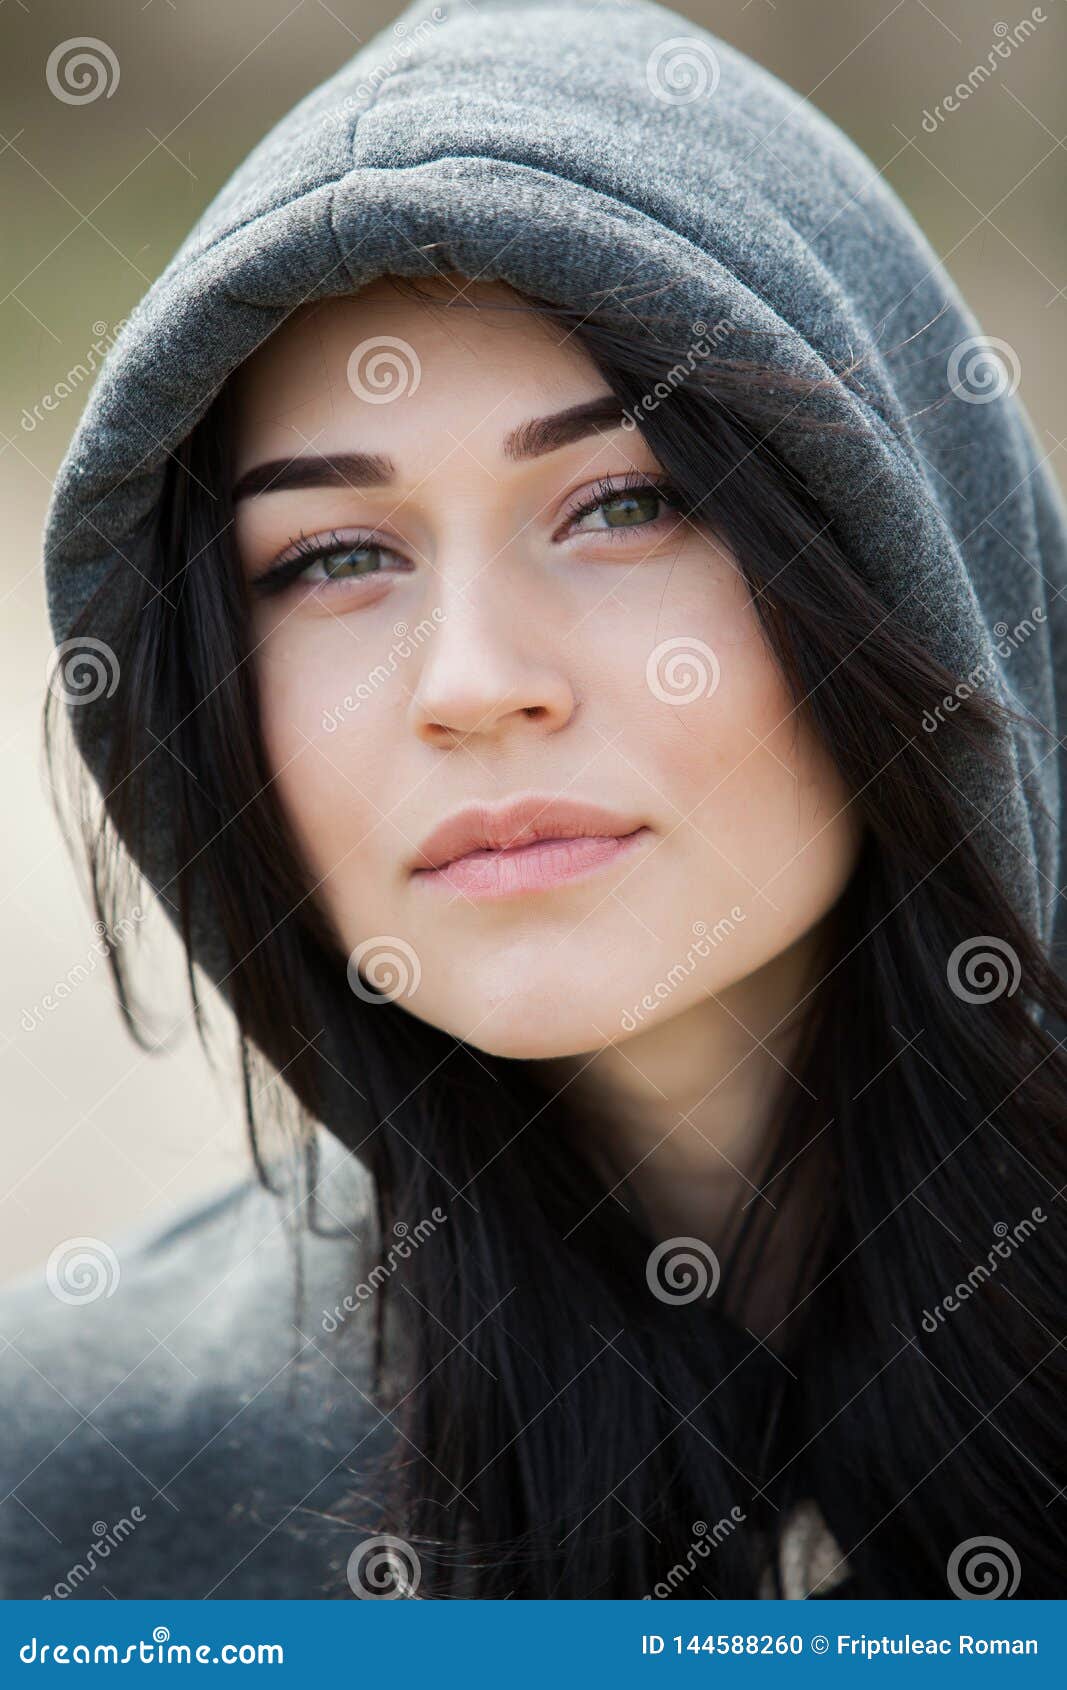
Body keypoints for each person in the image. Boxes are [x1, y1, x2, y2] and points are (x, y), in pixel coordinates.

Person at [6, 0, 1067, 1600]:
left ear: (898, 551)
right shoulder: (98, 1500)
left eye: (624, 502)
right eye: (335, 557)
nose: (473, 679)